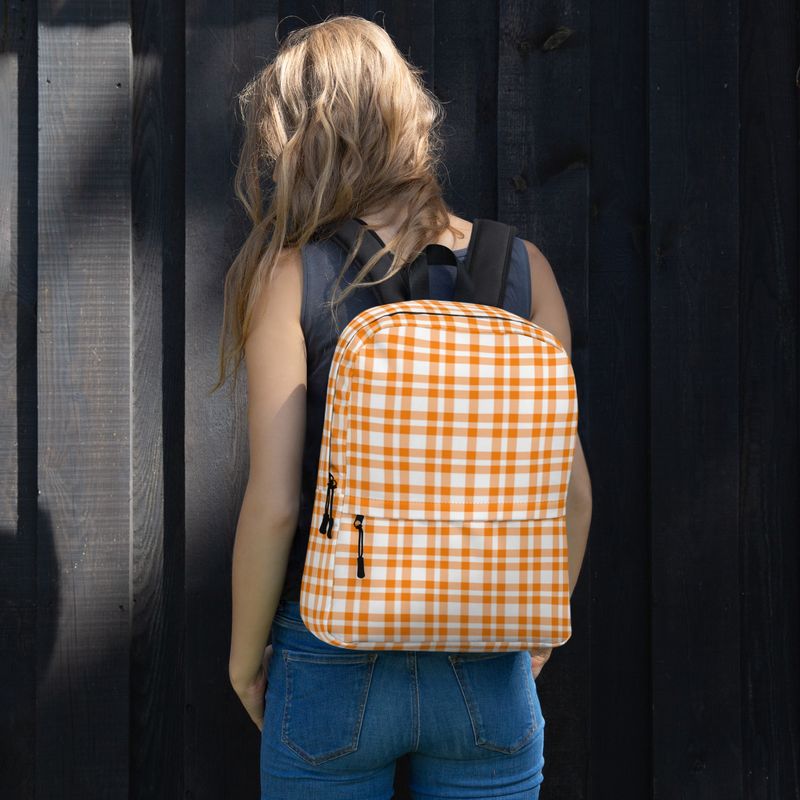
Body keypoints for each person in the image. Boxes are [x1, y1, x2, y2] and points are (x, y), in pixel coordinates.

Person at [217, 14, 593, 800]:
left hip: (329, 653)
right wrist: (534, 638)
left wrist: (245, 661)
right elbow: (574, 496)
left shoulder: (292, 275)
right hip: (486, 662)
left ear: (302, 141)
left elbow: (278, 503)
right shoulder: (526, 270)